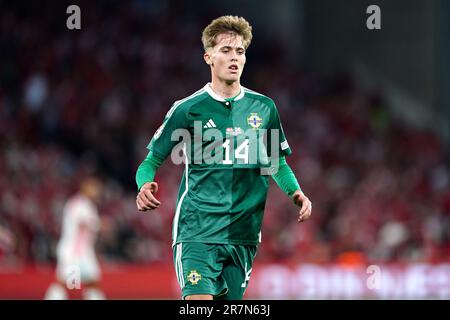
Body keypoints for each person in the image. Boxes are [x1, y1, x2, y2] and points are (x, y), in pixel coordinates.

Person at [135, 15, 312, 300]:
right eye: (226, 50)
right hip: (197, 231)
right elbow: (151, 161)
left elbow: (275, 163)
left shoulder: (264, 108)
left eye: (240, 51)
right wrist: (144, 185)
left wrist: (296, 192)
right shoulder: (187, 109)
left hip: (243, 234)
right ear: (208, 57)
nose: (234, 58)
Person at [44, 176, 105, 300]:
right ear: (85, 188)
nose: (97, 191)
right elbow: (82, 222)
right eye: (94, 187)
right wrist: (99, 224)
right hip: (74, 253)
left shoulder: (88, 205)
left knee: (93, 282)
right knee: (68, 284)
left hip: (84, 252)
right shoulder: (78, 203)